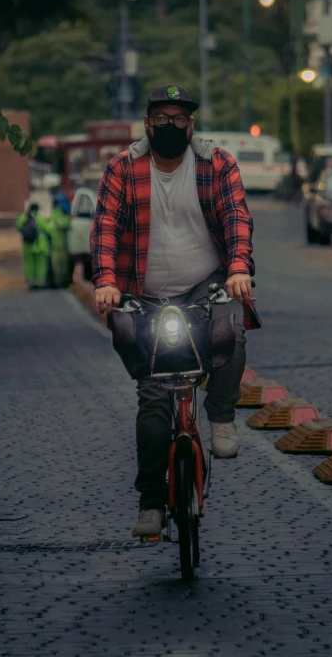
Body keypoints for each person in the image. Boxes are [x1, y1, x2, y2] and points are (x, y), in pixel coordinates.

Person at [90, 84, 261, 537]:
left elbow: (237, 218)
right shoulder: (122, 168)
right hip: (143, 297)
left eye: (179, 118)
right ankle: (151, 503)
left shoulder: (216, 163)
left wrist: (239, 270)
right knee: (152, 401)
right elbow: (105, 223)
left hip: (205, 287)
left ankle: (221, 416)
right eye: (162, 118)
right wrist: (105, 281)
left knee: (233, 333)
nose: (171, 125)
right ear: (147, 124)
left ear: (191, 124)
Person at [16, 202, 50, 289]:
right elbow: (47, 229)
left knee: (29, 265)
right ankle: (39, 283)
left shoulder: (23, 217)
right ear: (37, 209)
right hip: (40, 247)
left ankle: (31, 283)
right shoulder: (39, 218)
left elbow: (18, 227)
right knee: (40, 265)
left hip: (27, 246)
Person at [47, 192, 72, 288]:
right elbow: (61, 224)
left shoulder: (57, 213)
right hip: (58, 246)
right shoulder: (58, 214)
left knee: (61, 266)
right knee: (59, 266)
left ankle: (62, 282)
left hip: (60, 246)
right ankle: (61, 283)